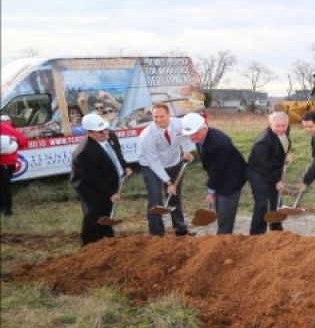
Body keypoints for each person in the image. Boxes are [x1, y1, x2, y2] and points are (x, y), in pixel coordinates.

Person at [70, 113, 131, 246]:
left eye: (105, 129)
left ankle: (107, 238)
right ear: (89, 133)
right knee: (96, 211)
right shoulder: (85, 152)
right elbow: (94, 177)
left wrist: (124, 166)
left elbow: (117, 154)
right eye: (100, 131)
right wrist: (110, 193)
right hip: (89, 186)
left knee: (107, 210)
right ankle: (89, 243)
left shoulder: (109, 136)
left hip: (106, 180)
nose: (105, 133)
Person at [181, 112, 247, 235]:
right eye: (189, 135)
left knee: (225, 211)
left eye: (194, 134)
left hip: (231, 178)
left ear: (205, 128)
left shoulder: (219, 143)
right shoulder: (200, 136)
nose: (191, 138)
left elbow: (218, 169)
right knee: (220, 208)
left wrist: (211, 190)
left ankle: (224, 237)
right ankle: (222, 233)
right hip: (220, 173)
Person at [138, 103, 195, 237]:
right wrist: (168, 182)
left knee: (174, 196)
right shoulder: (147, 135)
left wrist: (185, 150)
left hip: (174, 163)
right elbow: (153, 162)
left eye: (162, 116)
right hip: (151, 167)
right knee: (156, 199)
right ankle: (156, 233)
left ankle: (180, 229)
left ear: (169, 115)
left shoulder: (179, 124)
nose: (158, 120)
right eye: (155, 117)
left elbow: (186, 136)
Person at [248, 111, 292, 235]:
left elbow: (282, 145)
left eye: (284, 125)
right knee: (262, 203)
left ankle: (276, 230)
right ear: (270, 124)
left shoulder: (284, 131)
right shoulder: (262, 142)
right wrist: (277, 181)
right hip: (258, 173)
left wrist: (285, 156)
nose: (281, 129)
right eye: (277, 126)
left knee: (276, 200)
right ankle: (256, 234)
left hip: (273, 169)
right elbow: (265, 166)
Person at [0, 114, 29, 216]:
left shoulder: (8, 129)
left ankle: (6, 210)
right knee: (5, 187)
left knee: (4, 187)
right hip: (7, 164)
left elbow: (24, 142)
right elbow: (24, 143)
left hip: (5, 164)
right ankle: (6, 210)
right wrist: (15, 145)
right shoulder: (11, 129)